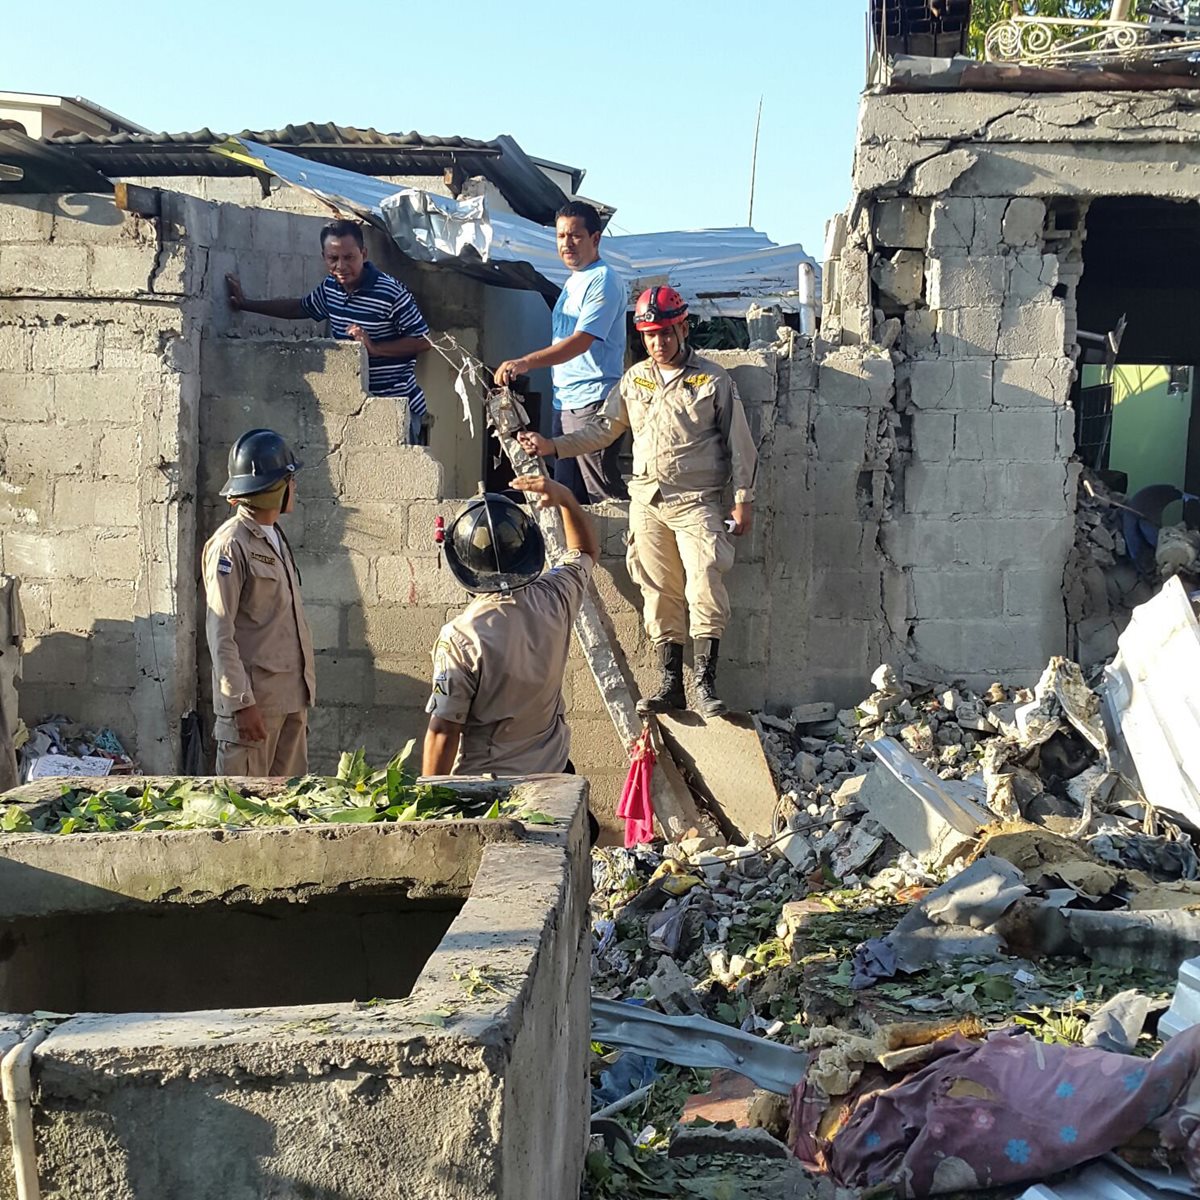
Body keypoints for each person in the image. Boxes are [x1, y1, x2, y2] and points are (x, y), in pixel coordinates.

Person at [517, 286, 757, 719]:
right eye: (649, 335)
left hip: (696, 501)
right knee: (656, 587)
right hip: (647, 501)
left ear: (682, 328)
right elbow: (604, 430)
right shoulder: (635, 379)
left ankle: (704, 682)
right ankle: (671, 684)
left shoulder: (712, 379)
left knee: (704, 579)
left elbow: (741, 445)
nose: (658, 343)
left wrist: (743, 500)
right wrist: (552, 446)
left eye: (665, 333)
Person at [422, 475, 599, 783]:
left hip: (490, 791)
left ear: (461, 562)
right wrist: (567, 499)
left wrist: (425, 809)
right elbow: (584, 551)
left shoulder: (461, 637)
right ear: (528, 548)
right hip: (551, 776)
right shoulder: (555, 596)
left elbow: (444, 732)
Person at [225, 220, 432, 444]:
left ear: (363, 253)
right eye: (333, 259)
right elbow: (300, 307)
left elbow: (424, 340)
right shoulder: (330, 289)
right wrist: (246, 304)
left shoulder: (390, 292)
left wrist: (375, 348)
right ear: (324, 257)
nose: (341, 266)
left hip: (396, 406)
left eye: (349, 257)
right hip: (355, 405)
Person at [493, 201, 628, 504]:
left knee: (604, 500)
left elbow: (581, 341)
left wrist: (526, 362)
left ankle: (619, 553)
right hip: (566, 403)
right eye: (561, 236)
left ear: (595, 239)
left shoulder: (603, 280)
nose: (567, 243)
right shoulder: (572, 281)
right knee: (566, 499)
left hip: (593, 404)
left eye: (575, 236)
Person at [202, 429, 316, 776]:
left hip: (290, 700)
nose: (294, 487)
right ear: (273, 488)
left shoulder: (275, 537)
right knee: (244, 816)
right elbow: (220, 633)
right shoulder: (230, 545)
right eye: (289, 479)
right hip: (255, 708)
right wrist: (240, 703)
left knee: (291, 810)